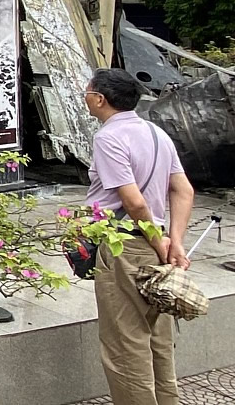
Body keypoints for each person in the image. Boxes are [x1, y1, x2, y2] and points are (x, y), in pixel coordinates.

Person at [84, 68, 195, 405]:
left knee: (125, 345)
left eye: (87, 92)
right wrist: (172, 241)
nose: (85, 97)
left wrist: (158, 240)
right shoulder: (156, 132)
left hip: (125, 245)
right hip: (154, 244)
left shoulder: (108, 138)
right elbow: (183, 190)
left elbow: (133, 201)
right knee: (157, 339)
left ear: (100, 99)